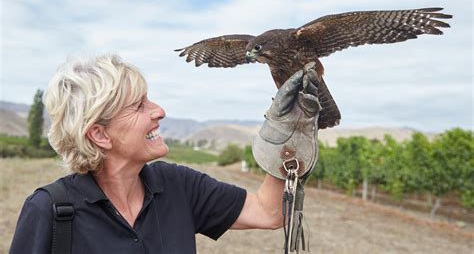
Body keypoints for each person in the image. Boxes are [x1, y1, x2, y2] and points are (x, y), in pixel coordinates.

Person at [10, 54, 319, 253]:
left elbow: (270, 212)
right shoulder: (50, 211)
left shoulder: (178, 186)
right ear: (99, 134)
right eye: (138, 105)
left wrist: (287, 139)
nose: (159, 111)